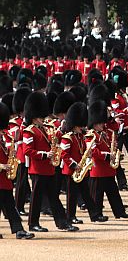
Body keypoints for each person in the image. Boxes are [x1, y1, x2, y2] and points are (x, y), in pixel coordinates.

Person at [22, 92, 77, 233]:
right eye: (41, 117)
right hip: (38, 169)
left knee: (54, 197)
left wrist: (63, 129)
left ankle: (62, 222)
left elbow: (56, 137)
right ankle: (33, 223)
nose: (43, 119)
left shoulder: (46, 129)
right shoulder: (30, 132)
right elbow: (27, 151)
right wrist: (45, 155)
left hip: (49, 168)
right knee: (36, 198)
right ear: (34, 117)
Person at [0, 103, 32, 239]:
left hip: (4, 180)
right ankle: (18, 230)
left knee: (10, 206)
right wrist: (1, 166)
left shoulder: (3, 138)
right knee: (9, 206)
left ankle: (18, 230)